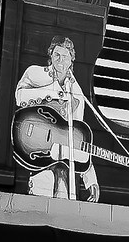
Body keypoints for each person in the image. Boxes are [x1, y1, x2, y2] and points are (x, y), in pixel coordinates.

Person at [14, 36, 102, 201]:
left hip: (63, 165)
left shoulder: (77, 94)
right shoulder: (35, 73)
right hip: (37, 155)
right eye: (57, 55)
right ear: (51, 56)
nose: (61, 60)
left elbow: (77, 138)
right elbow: (20, 96)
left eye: (65, 56)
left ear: (71, 60)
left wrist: (91, 179)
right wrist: (53, 93)